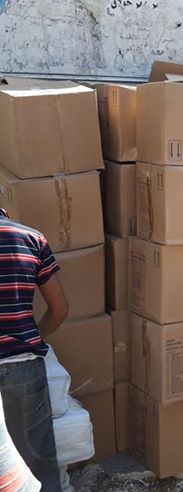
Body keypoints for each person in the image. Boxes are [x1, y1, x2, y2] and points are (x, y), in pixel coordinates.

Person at [0, 208, 69, 491]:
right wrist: (30, 336)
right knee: (37, 462)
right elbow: (60, 309)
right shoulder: (31, 238)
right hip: (23, 367)